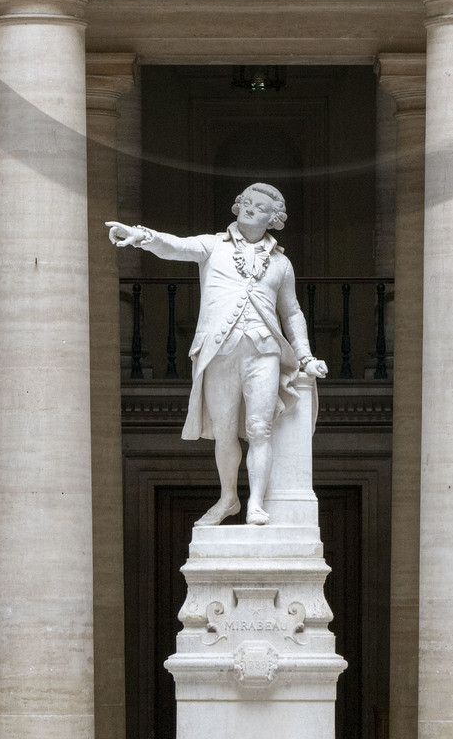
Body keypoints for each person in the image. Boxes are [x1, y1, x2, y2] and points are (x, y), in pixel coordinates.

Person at [107, 181, 326, 526]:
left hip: (264, 351)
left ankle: (255, 502)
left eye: (262, 207)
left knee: (259, 429)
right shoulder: (212, 246)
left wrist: (304, 356)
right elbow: (175, 246)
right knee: (224, 432)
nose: (252, 208)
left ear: (274, 219)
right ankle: (228, 498)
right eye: (248, 202)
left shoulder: (281, 264)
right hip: (220, 351)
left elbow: (292, 311)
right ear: (239, 205)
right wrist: (142, 236)